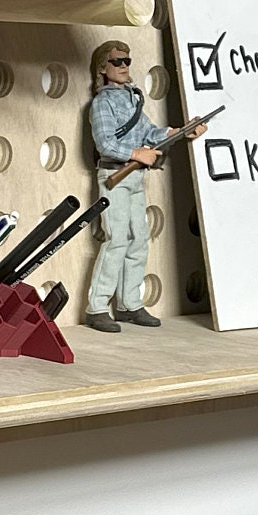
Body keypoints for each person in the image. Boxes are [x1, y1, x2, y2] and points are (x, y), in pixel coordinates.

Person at [83, 42, 207, 332]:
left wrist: (180, 132)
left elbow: (150, 132)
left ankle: (129, 304)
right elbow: (106, 143)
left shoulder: (131, 98)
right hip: (115, 175)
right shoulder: (103, 103)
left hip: (135, 177)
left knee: (138, 238)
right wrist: (137, 153)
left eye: (127, 60)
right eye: (117, 62)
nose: (124, 65)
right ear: (103, 68)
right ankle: (98, 307)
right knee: (116, 240)